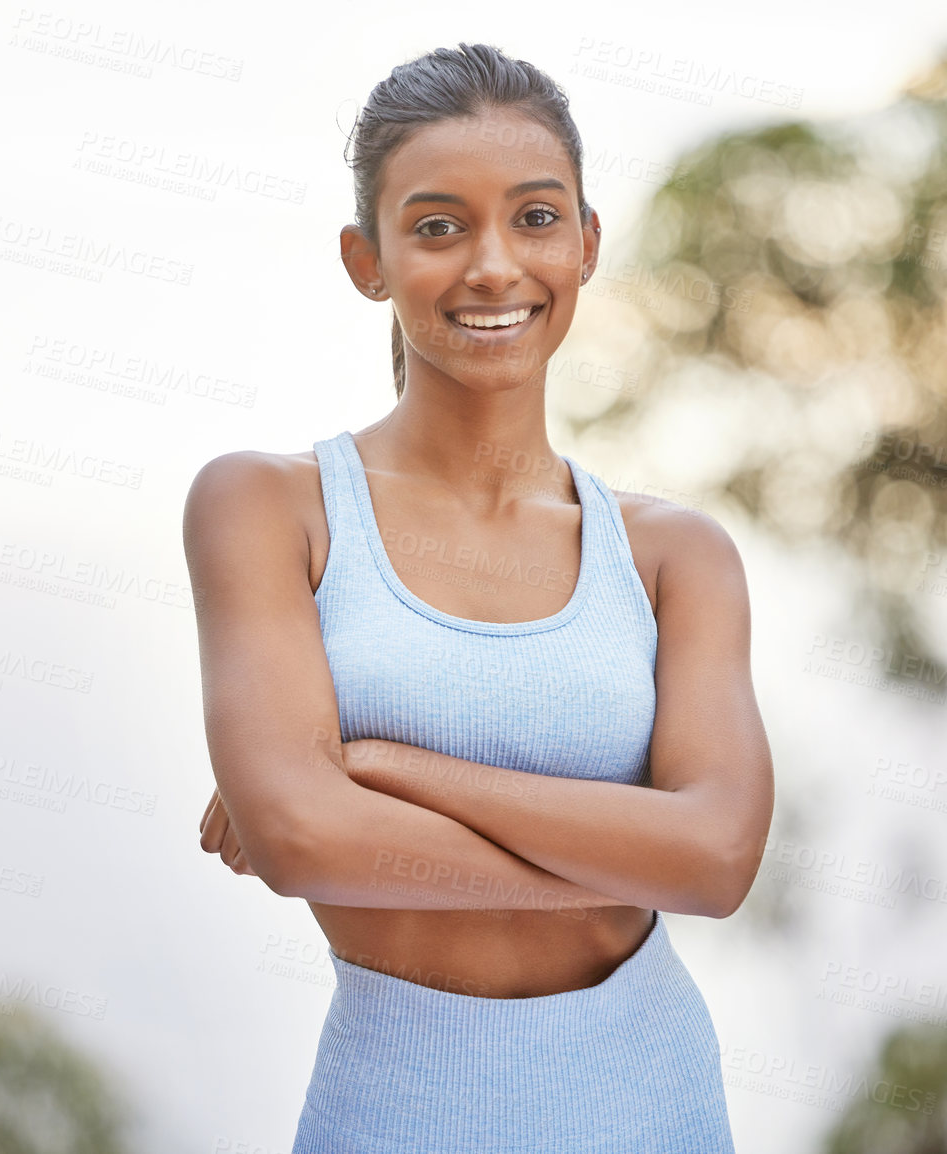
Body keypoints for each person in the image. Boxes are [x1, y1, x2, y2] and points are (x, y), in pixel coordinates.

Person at [183, 41, 774, 1153]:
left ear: (588, 243)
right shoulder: (269, 507)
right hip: (393, 1111)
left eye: (537, 217)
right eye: (440, 225)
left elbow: (719, 858)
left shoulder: (676, 556)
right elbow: (303, 833)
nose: (494, 265)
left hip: (650, 1107)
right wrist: (626, 863)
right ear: (370, 258)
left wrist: (393, 767)